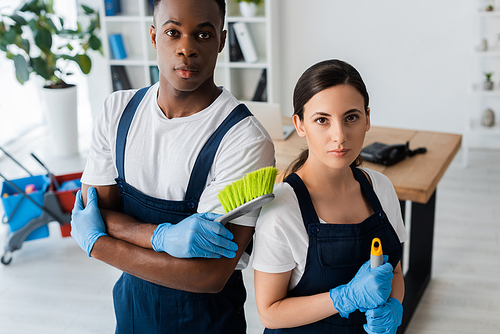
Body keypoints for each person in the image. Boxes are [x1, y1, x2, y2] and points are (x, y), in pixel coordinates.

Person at [69, 0, 274, 333]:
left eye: (203, 35)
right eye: (173, 32)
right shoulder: (117, 112)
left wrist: (100, 244)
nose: (186, 49)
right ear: (153, 36)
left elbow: (207, 275)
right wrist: (161, 237)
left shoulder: (245, 140)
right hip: (132, 310)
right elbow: (94, 211)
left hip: (207, 321)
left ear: (222, 40)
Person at [252, 59, 408, 333]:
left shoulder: (381, 189)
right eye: (322, 120)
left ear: (367, 118)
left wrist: (395, 304)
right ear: (300, 124)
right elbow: (270, 313)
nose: (340, 136)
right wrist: (344, 298)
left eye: (351, 117)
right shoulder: (282, 211)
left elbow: (394, 272)